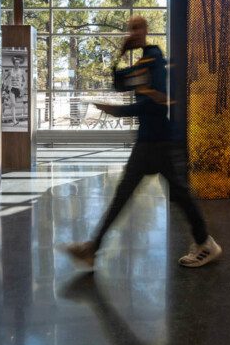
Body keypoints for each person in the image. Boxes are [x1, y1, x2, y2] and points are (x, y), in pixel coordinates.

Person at [58, 17, 221, 270]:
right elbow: (119, 83)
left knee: (181, 196)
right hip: (147, 143)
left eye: (137, 28)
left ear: (145, 30)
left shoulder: (154, 57)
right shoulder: (141, 63)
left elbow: (157, 103)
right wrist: (121, 54)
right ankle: (93, 248)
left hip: (164, 142)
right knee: (123, 195)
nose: (132, 32)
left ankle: (205, 243)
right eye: (130, 29)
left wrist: (117, 112)